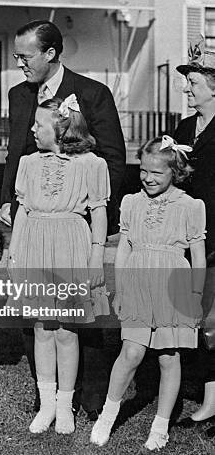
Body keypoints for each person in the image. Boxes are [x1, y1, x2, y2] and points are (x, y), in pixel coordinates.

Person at [0, 19, 126, 418]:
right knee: (39, 318)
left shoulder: (92, 93)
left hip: (76, 218)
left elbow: (113, 158)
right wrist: (10, 201)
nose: (19, 63)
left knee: (77, 317)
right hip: (35, 215)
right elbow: (14, 152)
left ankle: (86, 394)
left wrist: (90, 216)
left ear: (50, 53)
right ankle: (47, 396)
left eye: (25, 56)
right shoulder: (18, 95)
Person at [90, 136, 205, 451]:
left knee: (169, 357)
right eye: (143, 170)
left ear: (175, 172)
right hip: (139, 281)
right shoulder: (131, 202)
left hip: (174, 285)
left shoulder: (190, 206)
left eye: (157, 173)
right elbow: (125, 248)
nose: (148, 178)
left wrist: (195, 295)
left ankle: (160, 425)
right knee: (131, 352)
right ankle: (108, 416)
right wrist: (121, 286)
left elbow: (197, 255)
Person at [7, 94, 109, 434]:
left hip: (70, 247)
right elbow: (22, 210)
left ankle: (65, 405)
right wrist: (14, 253)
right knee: (42, 327)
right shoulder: (28, 163)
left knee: (67, 328)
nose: (33, 129)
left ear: (62, 128)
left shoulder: (91, 165)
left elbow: (99, 212)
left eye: (39, 124)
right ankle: (46, 403)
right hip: (35, 245)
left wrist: (96, 256)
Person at [172, 36, 215, 435]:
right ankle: (209, 398)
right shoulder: (185, 126)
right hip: (190, 237)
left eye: (194, 83)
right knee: (201, 320)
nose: (186, 88)